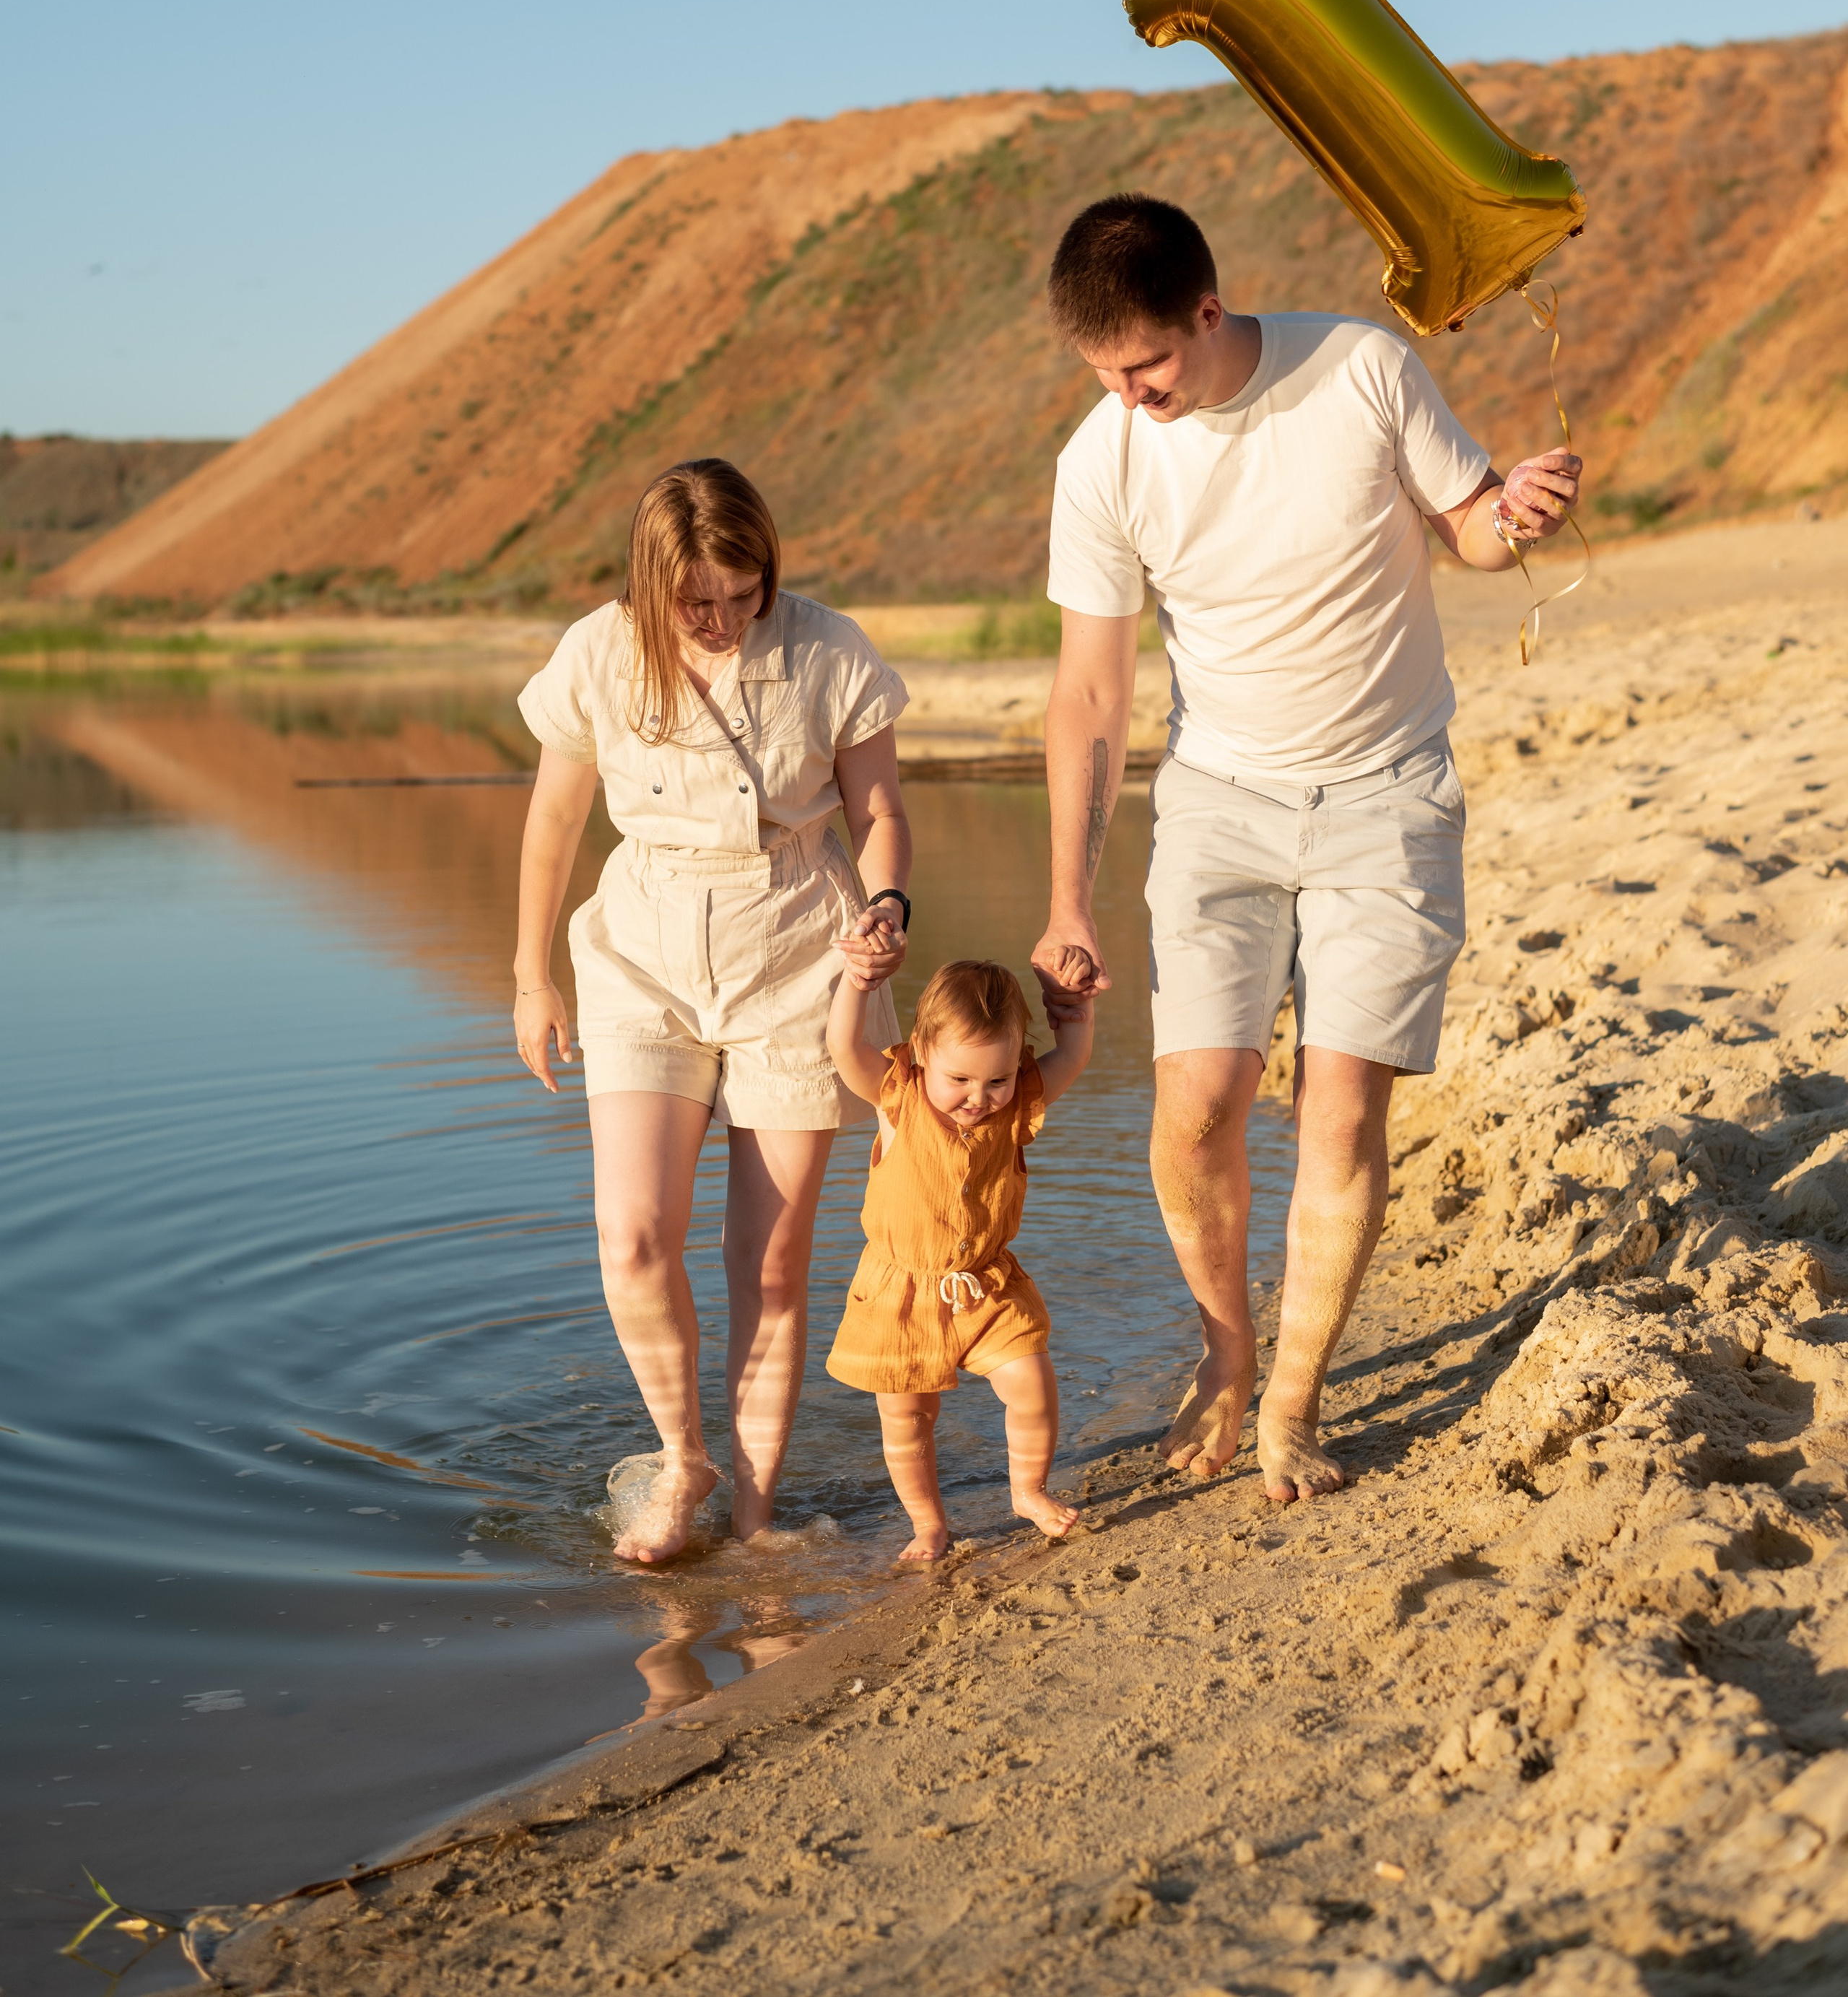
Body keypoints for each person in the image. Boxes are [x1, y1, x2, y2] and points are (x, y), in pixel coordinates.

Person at [1029, 193, 1584, 1504]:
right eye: (1103, 373)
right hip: (1218, 799)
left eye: (1147, 365)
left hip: (1388, 796)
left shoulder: (1362, 369)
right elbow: (1092, 694)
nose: (1129, 394)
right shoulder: (1101, 458)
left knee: (1339, 1112)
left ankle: (1292, 1399)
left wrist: (1523, 511)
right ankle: (1227, 1353)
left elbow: (1472, 530)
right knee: (1195, 1110)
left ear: (1208, 315)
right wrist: (1068, 899)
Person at [513, 456, 912, 1565]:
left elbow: (878, 807)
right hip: (641, 950)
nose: (729, 616)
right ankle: (684, 1456)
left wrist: (886, 903)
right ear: (651, 587)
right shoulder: (597, 649)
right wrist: (529, 973)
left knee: (769, 1265)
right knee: (635, 1235)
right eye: (702, 601)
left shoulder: (830, 647)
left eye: (748, 592)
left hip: (800, 950)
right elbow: (552, 820)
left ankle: (753, 1516)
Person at [824, 952, 1094, 1560]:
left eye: (996, 1080)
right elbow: (844, 1045)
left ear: (1017, 1064)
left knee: (1031, 1383)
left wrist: (1076, 1005)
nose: (978, 1097)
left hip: (987, 1283)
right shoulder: (899, 1097)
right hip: (901, 1291)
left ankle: (1027, 1490)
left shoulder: (1018, 1100)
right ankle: (928, 1524)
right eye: (961, 1080)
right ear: (920, 1052)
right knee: (908, 1418)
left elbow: (1073, 1054)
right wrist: (857, 982)